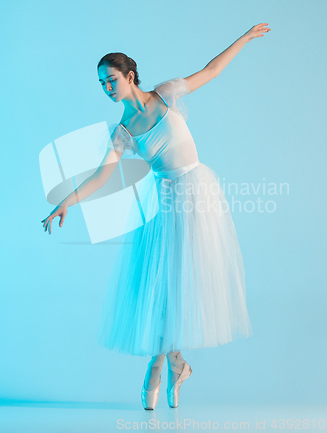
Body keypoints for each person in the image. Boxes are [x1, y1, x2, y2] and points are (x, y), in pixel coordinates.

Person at [42, 23, 271, 410]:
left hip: (196, 193)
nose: (106, 88)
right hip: (164, 203)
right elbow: (102, 175)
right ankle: (172, 361)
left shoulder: (166, 93)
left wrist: (245, 39)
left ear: (130, 76)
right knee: (164, 287)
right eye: (101, 83)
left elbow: (210, 71)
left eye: (111, 79)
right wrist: (67, 201)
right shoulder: (124, 130)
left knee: (183, 282)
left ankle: (160, 362)